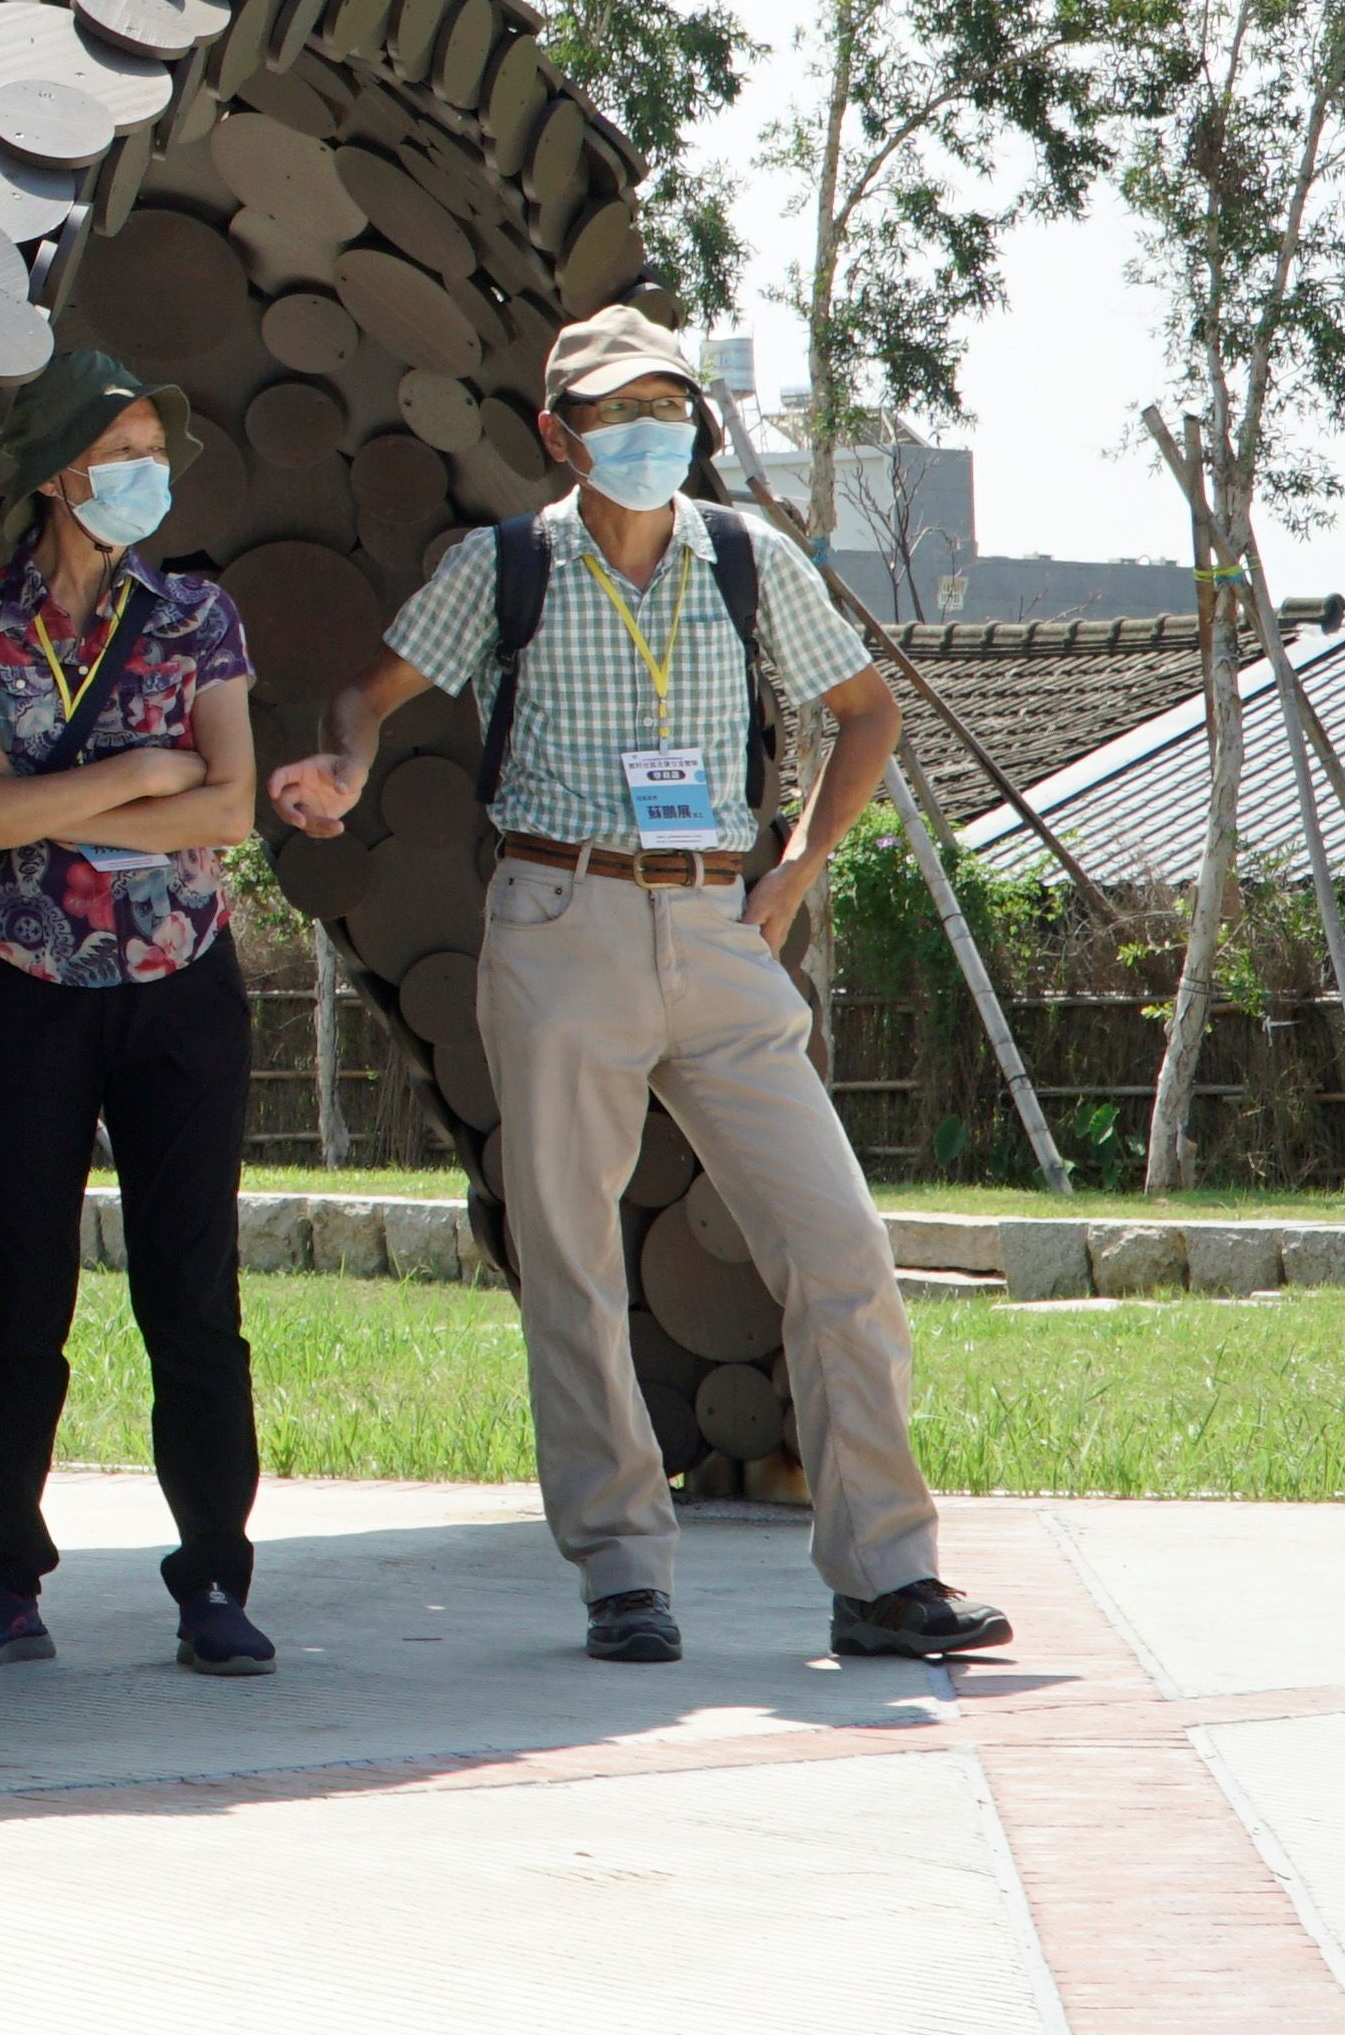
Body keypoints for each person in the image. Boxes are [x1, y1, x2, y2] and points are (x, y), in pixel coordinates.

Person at [269, 303, 1011, 1672]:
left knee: (838, 1245)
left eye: (669, 408)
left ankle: (886, 1574)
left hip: (721, 925)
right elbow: (372, 696)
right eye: (616, 414)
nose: (649, 434)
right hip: (561, 920)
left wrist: (792, 874)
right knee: (572, 1258)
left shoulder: (747, 555)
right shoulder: (501, 569)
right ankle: (623, 1573)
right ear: (560, 435)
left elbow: (867, 714)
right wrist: (348, 767)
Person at [0, 353, 270, 1679]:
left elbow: (229, 808)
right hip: (26, 985)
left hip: (181, 985)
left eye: (153, 448)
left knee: (193, 1293)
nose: (145, 474)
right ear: (63, 472)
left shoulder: (198, 618)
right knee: (16, 1295)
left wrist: (43, 792)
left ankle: (215, 1581)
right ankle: (4, 1579)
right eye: (120, 447)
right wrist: (141, 770)